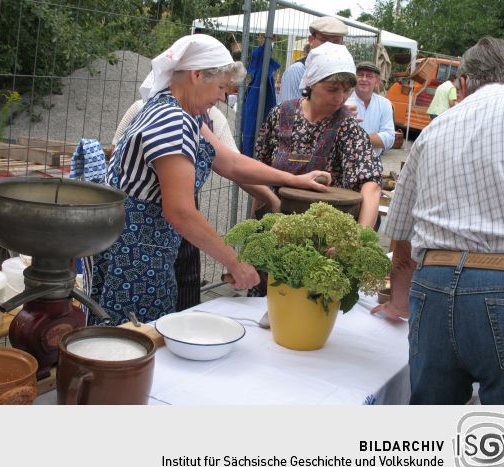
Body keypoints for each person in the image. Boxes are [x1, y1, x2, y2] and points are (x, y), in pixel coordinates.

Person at [85, 34, 331, 325]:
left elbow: (230, 162)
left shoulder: (176, 110)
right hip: (137, 257)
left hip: (141, 248)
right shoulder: (173, 122)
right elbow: (180, 212)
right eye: (221, 87)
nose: (223, 97)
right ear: (196, 75)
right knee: (132, 341)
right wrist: (235, 262)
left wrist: (294, 179)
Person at [371, 37, 504, 405]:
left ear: (462, 84)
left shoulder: (432, 131)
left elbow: (401, 237)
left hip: (435, 285)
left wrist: (399, 302)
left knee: (431, 426)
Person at [255, 42, 382, 228]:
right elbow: (259, 170)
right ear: (312, 83)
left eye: (346, 90)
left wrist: (358, 240)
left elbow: (371, 185)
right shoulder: (281, 114)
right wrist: (255, 222)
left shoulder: (347, 128)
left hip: (324, 232)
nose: (340, 98)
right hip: (277, 221)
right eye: (332, 89)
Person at [277, 16, 348, 103]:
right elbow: (288, 113)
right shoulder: (297, 71)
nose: (329, 46)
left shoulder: (340, 71)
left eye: (335, 42)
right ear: (311, 40)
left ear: (342, 44)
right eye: (324, 40)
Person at [346, 61, 395, 158]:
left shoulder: (385, 104)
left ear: (377, 81)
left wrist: (358, 137)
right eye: (360, 75)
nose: (364, 79)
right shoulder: (344, 101)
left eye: (369, 76)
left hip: (372, 163)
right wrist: (375, 139)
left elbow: (389, 139)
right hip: (344, 160)